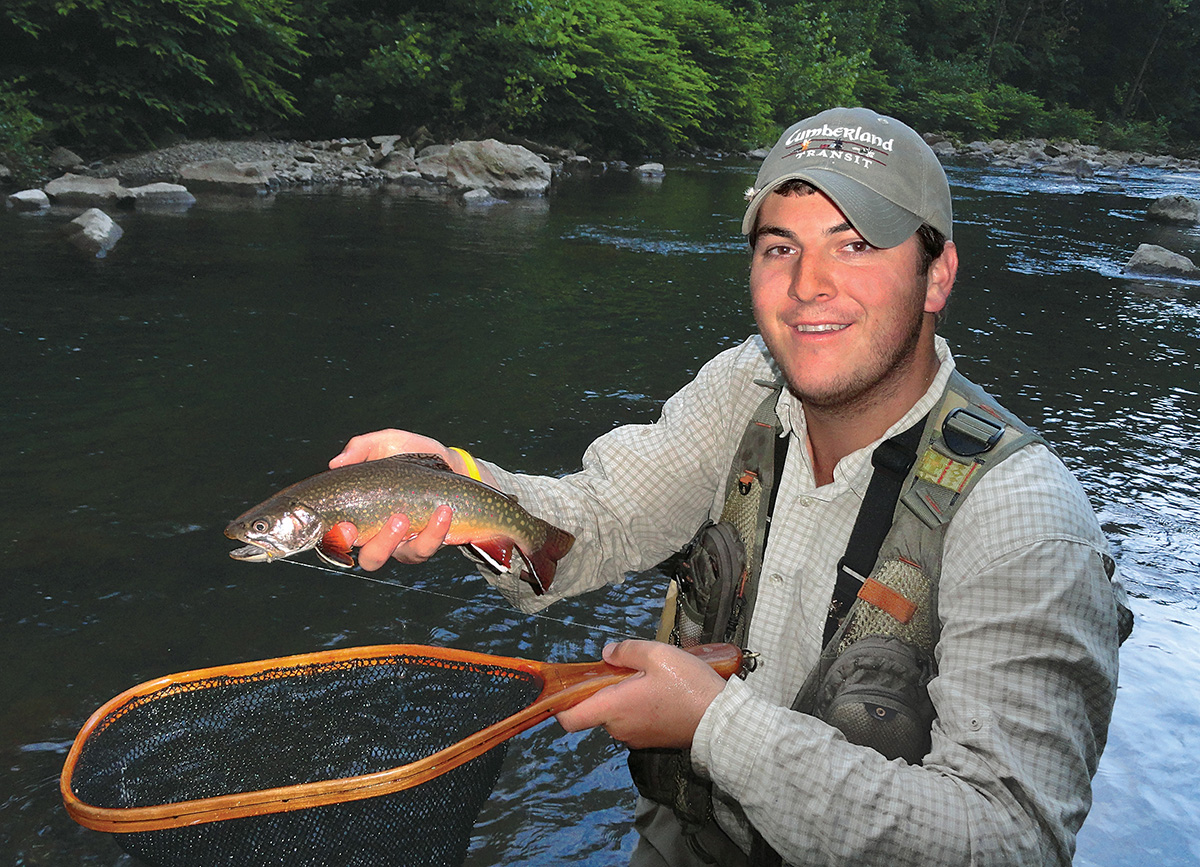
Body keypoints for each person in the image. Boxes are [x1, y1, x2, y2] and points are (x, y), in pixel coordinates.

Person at [329, 107, 1128, 866]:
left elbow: (1008, 838)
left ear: (937, 273)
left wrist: (713, 725)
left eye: (854, 246)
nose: (808, 284)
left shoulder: (1025, 516)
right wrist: (458, 484)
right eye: (780, 247)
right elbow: (601, 518)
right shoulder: (746, 383)